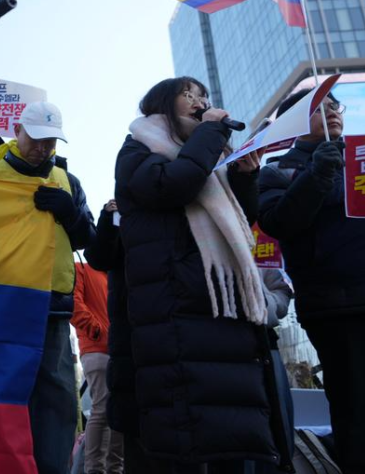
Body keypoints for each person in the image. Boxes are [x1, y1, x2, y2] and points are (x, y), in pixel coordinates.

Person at [115, 76, 279, 473]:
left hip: (222, 306)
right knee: (185, 435)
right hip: (175, 309)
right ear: (161, 104)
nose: (198, 101)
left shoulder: (208, 158)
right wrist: (211, 133)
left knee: (231, 431)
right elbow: (172, 185)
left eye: (202, 95)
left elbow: (239, 222)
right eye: (187, 95)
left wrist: (244, 177)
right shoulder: (137, 149)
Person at [258, 88, 365, 473]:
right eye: (317, 108)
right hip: (340, 309)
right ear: (293, 122)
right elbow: (279, 222)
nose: (331, 112)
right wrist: (318, 173)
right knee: (356, 414)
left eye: (334, 105)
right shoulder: (276, 171)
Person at [0, 100, 96, 474]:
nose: (43, 148)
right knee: (0, 395)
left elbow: (89, 241)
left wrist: (70, 213)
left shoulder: (68, 182)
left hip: (51, 307)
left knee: (56, 402)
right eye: (37, 139)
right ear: (17, 132)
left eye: (51, 141)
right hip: (1, 305)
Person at [72, 256, 124, 474]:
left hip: (117, 351)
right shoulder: (82, 269)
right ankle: (95, 469)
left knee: (117, 410)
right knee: (103, 409)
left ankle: (114, 468)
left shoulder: (114, 276)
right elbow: (74, 303)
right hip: (97, 349)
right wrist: (96, 330)